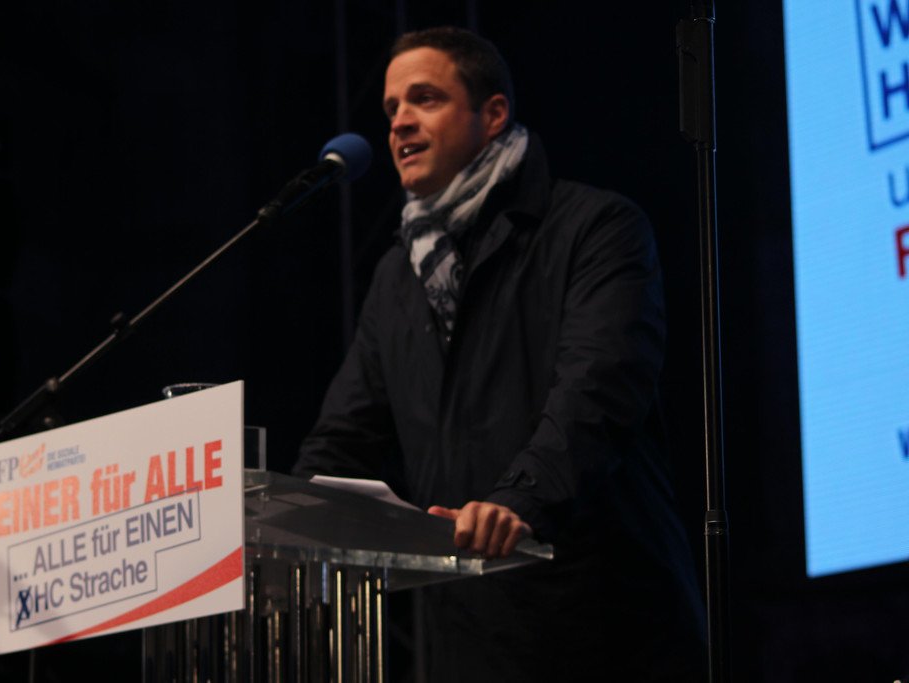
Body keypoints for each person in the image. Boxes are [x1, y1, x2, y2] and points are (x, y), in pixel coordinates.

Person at [293, 26, 706, 682]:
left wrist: (519, 500)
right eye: (392, 108)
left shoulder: (595, 228)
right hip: (470, 639)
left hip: (609, 627)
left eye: (425, 99)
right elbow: (344, 435)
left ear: (492, 115)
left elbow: (599, 390)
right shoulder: (399, 275)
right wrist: (290, 525)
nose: (399, 123)